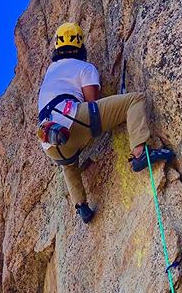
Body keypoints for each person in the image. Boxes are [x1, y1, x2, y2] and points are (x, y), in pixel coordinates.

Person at [37, 22, 174, 224]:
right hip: (73, 117)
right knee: (134, 100)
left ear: (57, 47)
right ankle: (140, 153)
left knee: (69, 164)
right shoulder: (84, 67)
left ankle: (81, 206)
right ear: (81, 45)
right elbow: (92, 103)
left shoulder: (51, 72)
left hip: (50, 139)